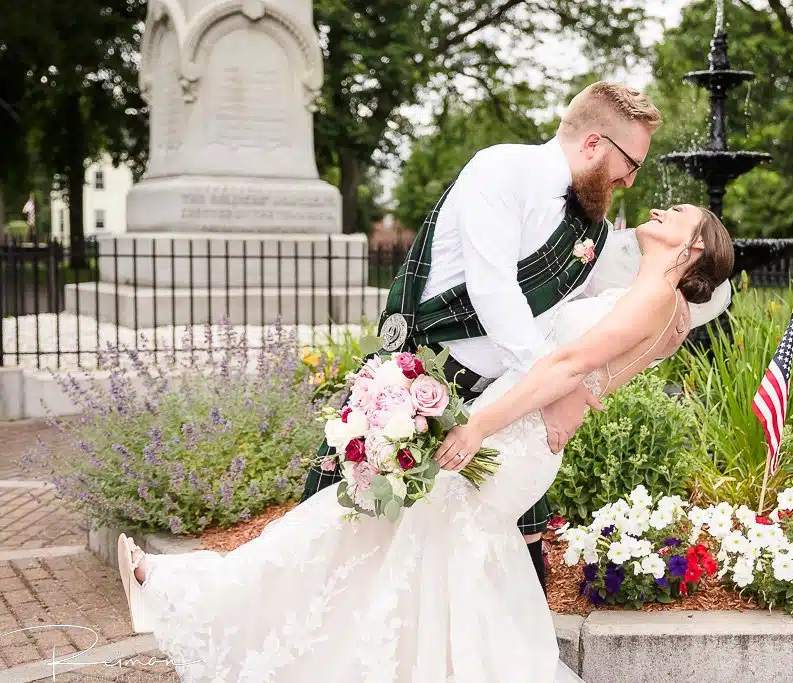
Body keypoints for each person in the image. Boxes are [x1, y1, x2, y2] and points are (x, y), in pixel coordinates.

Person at [116, 203, 734, 683]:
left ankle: (185, 595)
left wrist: (478, 428)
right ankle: (195, 594)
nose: (662, 210)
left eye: (678, 215)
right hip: (520, 433)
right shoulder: (668, 310)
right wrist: (560, 409)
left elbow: (572, 367)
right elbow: (593, 380)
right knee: (394, 539)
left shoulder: (656, 297)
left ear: (694, 244)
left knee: (358, 520)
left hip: (504, 434)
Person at [298, 81, 677, 593]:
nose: (630, 181)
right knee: (339, 546)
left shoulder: (591, 226)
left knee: (485, 583)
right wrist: (559, 386)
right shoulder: (500, 171)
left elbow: (633, 302)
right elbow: (494, 293)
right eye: (631, 164)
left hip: (500, 412)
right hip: (413, 386)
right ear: (593, 145)